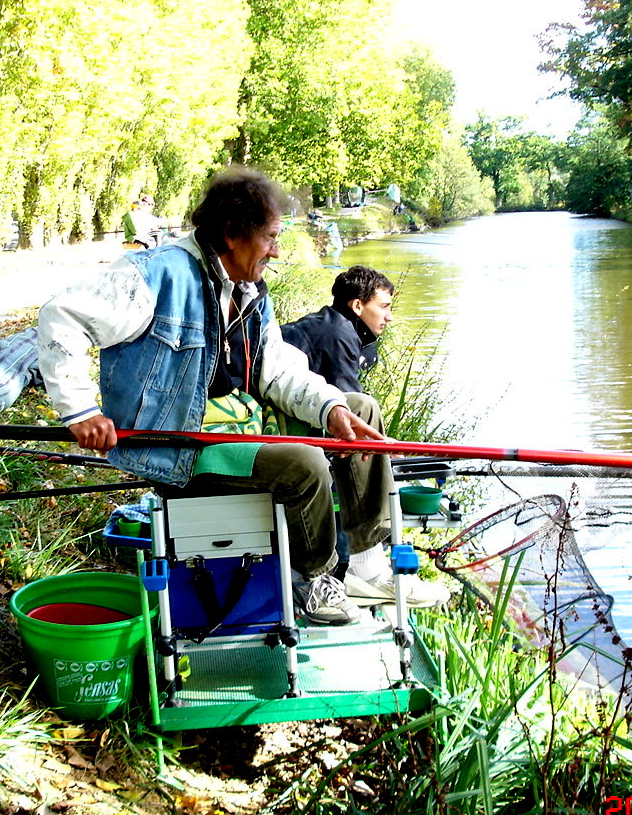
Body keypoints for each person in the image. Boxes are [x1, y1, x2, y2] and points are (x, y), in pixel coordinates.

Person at [38, 166, 445, 624]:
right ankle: (317, 577)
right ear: (231, 234)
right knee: (304, 463)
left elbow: (278, 370)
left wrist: (329, 408)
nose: (276, 249)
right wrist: (81, 410)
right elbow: (61, 316)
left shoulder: (251, 290)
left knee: (359, 408)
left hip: (240, 425)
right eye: (270, 237)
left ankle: (368, 568)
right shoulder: (158, 274)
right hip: (179, 445)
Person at [280, 265, 394, 394]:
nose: (389, 317)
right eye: (384, 307)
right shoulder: (338, 335)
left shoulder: (331, 322)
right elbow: (347, 402)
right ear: (357, 306)